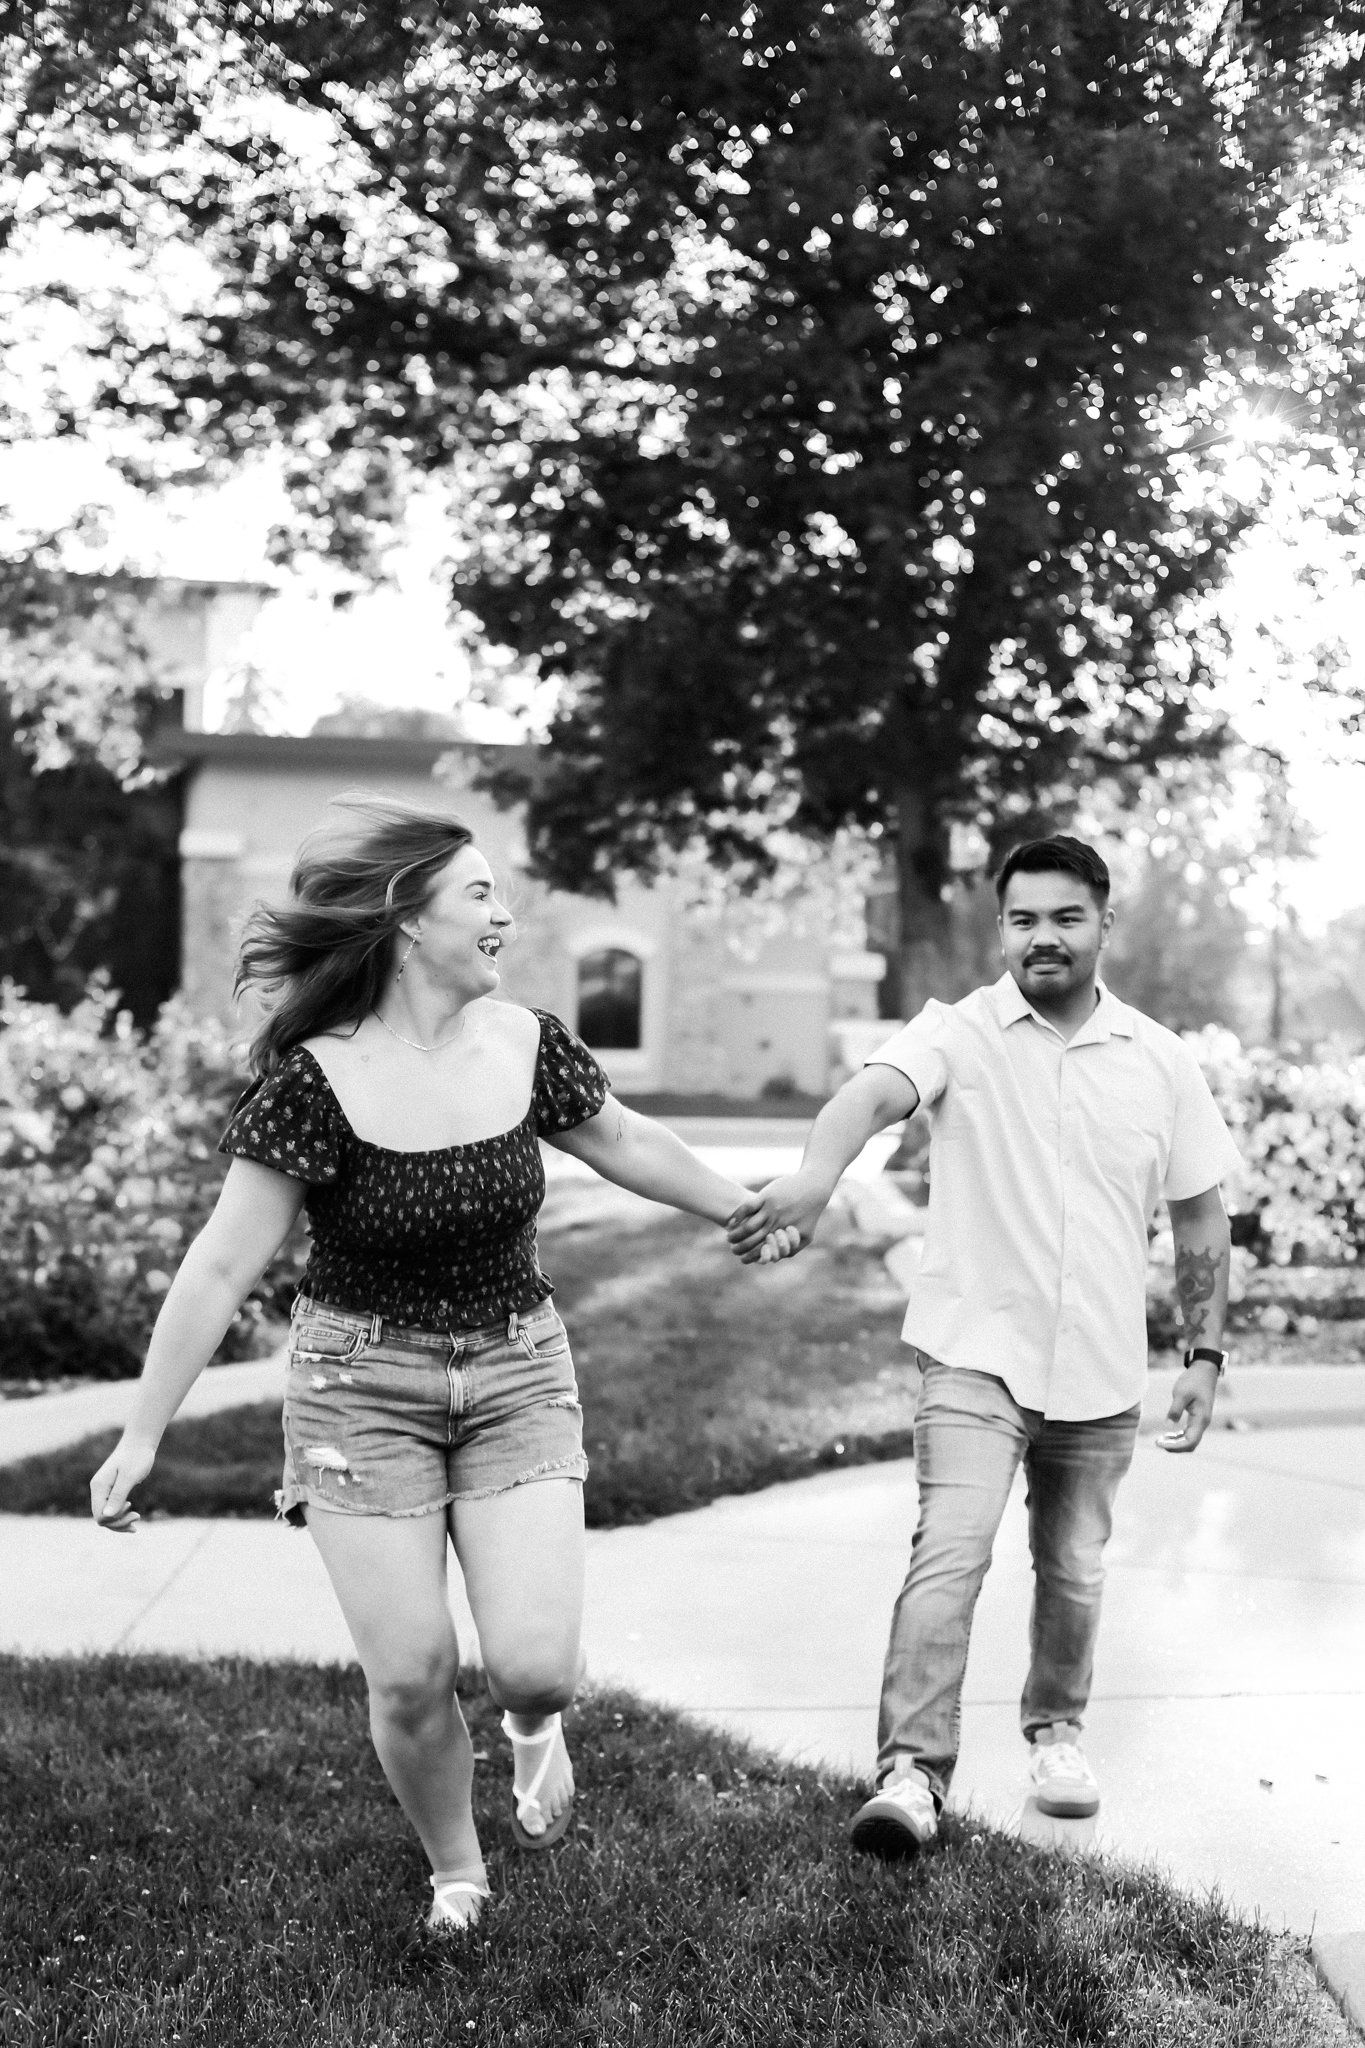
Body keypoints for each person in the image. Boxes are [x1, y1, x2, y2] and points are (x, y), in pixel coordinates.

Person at [90, 796, 795, 1935]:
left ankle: (528, 1731)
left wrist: (739, 1208)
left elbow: (622, 1138)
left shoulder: (525, 1042)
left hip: (516, 1367)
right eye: (479, 893)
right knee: (414, 1669)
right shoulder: (315, 1083)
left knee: (533, 1665)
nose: (504, 914)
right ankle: (457, 1868)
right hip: (356, 1390)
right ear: (409, 919)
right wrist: (141, 1434)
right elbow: (221, 1267)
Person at [727, 834, 1240, 1857]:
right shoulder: (956, 1031)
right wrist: (818, 1175)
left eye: (1063, 916)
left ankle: (1056, 1732)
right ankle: (913, 1772)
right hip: (976, 1351)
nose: (1041, 936)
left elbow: (1201, 1218)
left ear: (1102, 922)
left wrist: (1203, 1354)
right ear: (999, 925)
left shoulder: (1161, 1059)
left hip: (1099, 1363)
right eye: (1022, 918)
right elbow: (868, 1096)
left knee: (1076, 1564)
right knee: (949, 1555)